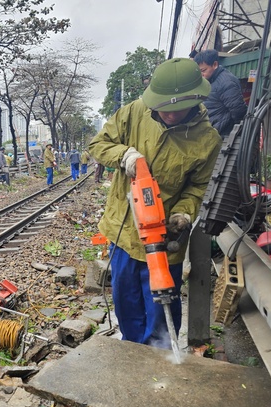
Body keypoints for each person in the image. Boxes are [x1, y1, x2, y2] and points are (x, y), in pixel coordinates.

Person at [89, 57, 222, 349]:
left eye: (176, 109)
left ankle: (161, 362)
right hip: (124, 232)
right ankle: (132, 353)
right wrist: (124, 155)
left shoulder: (207, 139)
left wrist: (183, 213)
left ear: (195, 99)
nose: (168, 115)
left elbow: (199, 186)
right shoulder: (134, 112)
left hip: (166, 239)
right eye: (162, 108)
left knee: (160, 307)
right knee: (127, 303)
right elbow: (98, 145)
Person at [194, 49, 247, 137]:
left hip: (222, 136)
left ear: (215, 65)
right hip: (210, 133)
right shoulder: (209, 81)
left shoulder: (226, 82)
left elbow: (239, 112)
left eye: (203, 71)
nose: (200, 75)